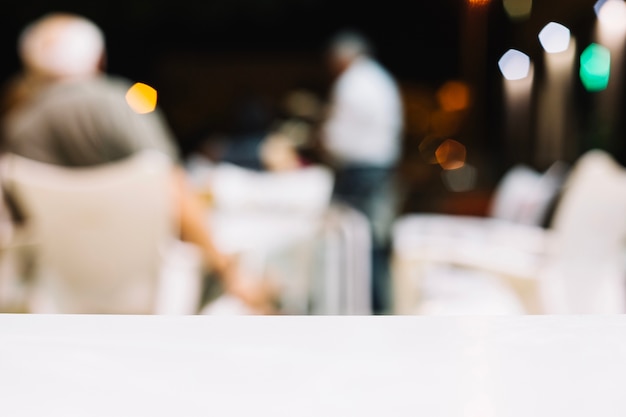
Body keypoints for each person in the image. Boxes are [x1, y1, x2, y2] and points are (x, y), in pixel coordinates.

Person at [0, 12, 276, 314]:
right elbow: (173, 188)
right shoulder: (119, 104)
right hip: (150, 281)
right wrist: (229, 271)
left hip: (56, 288)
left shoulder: (18, 124)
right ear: (99, 59)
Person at [318, 29, 404, 314]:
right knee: (375, 241)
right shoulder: (381, 79)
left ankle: (357, 306)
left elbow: (337, 139)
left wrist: (320, 141)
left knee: (352, 243)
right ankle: (378, 305)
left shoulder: (351, 83)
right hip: (381, 169)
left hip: (360, 173)